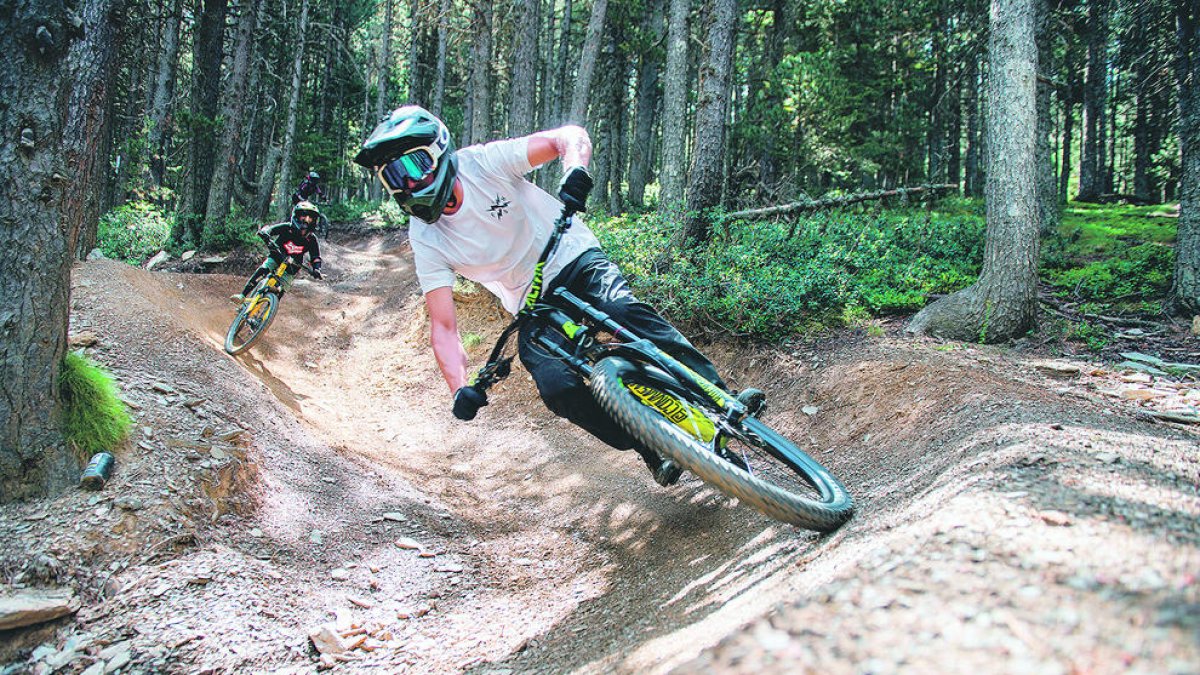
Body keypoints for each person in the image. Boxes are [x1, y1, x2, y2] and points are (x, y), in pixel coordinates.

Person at [353, 105, 754, 487]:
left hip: (572, 255)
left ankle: (721, 399)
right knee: (557, 387)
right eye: (393, 176)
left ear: (439, 151)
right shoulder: (425, 236)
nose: (407, 183)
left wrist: (575, 170)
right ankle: (651, 444)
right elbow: (443, 326)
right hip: (530, 305)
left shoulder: (482, 163)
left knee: (623, 311)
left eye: (413, 165)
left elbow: (568, 136)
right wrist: (459, 387)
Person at [231, 201, 324, 303]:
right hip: (277, 256)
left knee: (281, 290)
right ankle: (242, 295)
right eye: (304, 216)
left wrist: (317, 269)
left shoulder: (311, 239)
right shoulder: (287, 228)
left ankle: (267, 312)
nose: (306, 220)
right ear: (297, 216)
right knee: (263, 270)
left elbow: (315, 257)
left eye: (310, 218)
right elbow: (270, 230)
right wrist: (265, 233)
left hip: (292, 267)